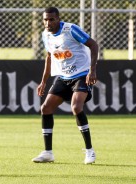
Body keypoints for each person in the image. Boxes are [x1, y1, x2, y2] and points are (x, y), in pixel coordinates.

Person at [32, 7, 98, 164]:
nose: (48, 23)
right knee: (46, 108)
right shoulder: (45, 35)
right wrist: (43, 81)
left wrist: (92, 70)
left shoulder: (71, 29)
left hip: (81, 74)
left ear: (58, 19)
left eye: (51, 19)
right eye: (45, 19)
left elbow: (93, 45)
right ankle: (48, 153)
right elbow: (49, 57)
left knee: (76, 107)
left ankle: (90, 151)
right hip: (63, 77)